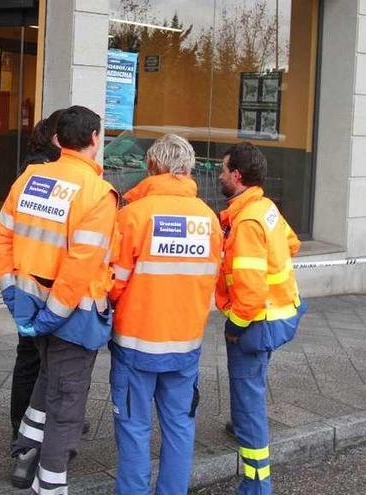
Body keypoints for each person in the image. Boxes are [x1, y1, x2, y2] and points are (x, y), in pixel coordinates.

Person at [0, 105, 118, 492]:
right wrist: (53, 315)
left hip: (31, 308)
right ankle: (51, 485)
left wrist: (15, 296)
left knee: (47, 381)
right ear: (95, 140)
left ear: (58, 140)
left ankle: (27, 446)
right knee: (67, 406)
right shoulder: (99, 194)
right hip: (72, 318)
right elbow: (80, 267)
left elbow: (1, 239)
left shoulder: (30, 178)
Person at [108, 134, 223, 494]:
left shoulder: (131, 216)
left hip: (135, 344)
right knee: (179, 427)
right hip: (185, 344)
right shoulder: (209, 220)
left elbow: (113, 283)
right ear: (188, 169)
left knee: (133, 428)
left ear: (152, 166)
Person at [216, 142, 304, 495]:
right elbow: (293, 244)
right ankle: (239, 426)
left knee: (249, 395)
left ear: (236, 176)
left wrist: (235, 325)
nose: (219, 175)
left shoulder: (248, 221)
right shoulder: (265, 208)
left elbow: (250, 296)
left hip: (256, 322)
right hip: (281, 313)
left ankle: (256, 481)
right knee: (252, 383)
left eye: (223, 170)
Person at [9, 109, 63, 441]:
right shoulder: (51, 175)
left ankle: (20, 429)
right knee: (47, 360)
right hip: (49, 281)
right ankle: (34, 428)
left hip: (28, 281)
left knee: (30, 357)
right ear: (60, 139)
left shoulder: (28, 171)